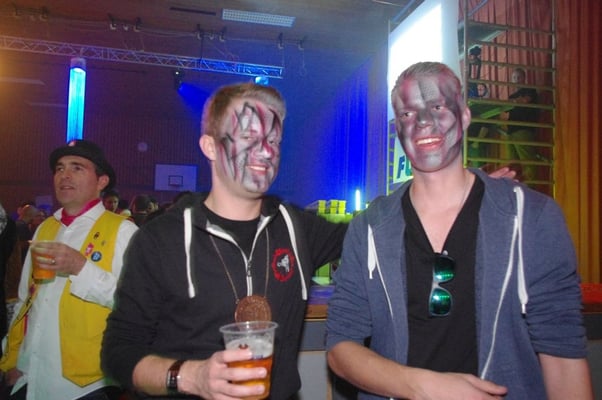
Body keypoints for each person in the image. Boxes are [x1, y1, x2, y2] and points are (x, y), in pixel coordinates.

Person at [325, 62, 593, 399]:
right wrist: (424, 387)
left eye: (437, 107)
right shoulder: (369, 227)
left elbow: (564, 357)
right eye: (408, 113)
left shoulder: (531, 217)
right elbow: (340, 346)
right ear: (397, 128)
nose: (423, 122)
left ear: (465, 116)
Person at [101, 82, 348, 400]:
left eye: (274, 140)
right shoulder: (161, 239)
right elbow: (118, 352)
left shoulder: (298, 228)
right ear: (210, 146)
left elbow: (377, 231)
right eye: (248, 136)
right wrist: (191, 376)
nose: (266, 151)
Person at [0, 140, 138, 400]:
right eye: (60, 168)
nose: (65, 175)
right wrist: (15, 357)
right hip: (31, 375)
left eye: (77, 168)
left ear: (101, 181)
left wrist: (81, 268)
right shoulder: (46, 228)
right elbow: (26, 299)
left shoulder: (123, 230)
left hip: (88, 384)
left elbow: (135, 303)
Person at [499, 67, 539, 180]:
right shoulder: (512, 96)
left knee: (527, 161)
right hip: (511, 131)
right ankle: (514, 186)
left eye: (519, 77)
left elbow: (526, 100)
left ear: (524, 78)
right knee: (512, 164)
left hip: (523, 129)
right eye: (514, 77)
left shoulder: (530, 90)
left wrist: (513, 102)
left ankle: (530, 187)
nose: (516, 79)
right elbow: (505, 112)